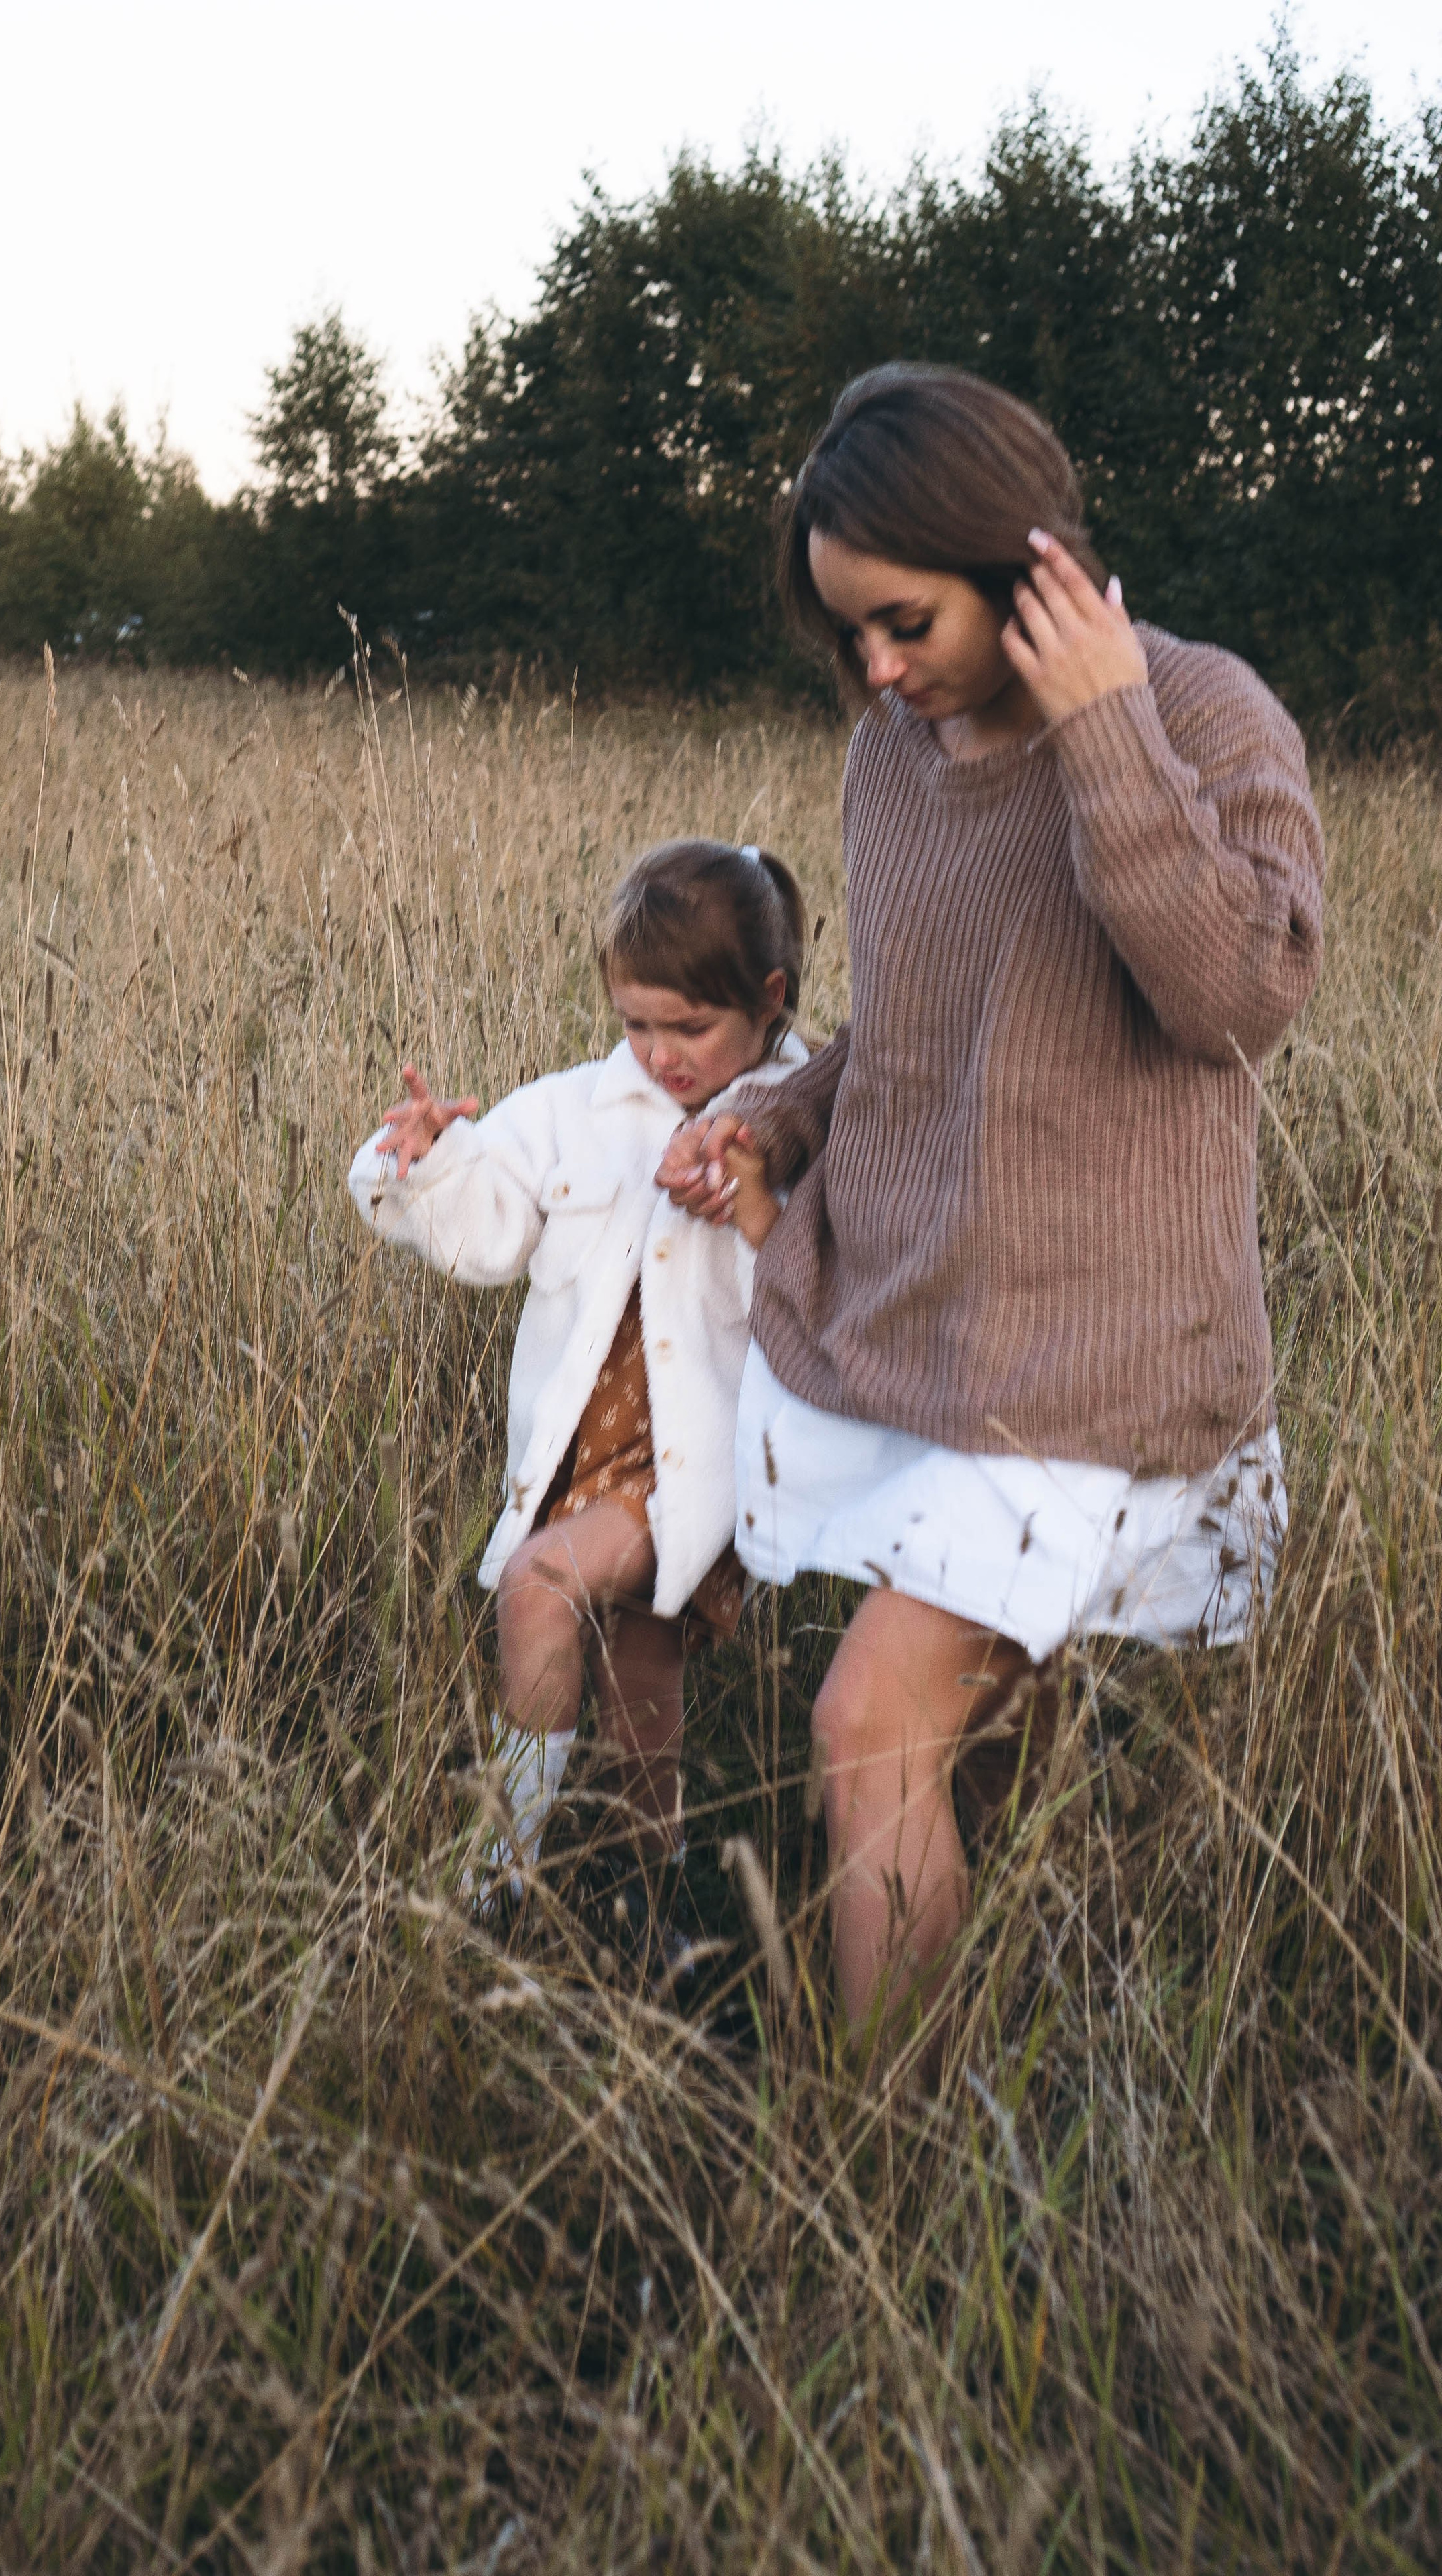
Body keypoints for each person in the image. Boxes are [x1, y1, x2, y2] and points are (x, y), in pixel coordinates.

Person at [659, 363, 1325, 2041]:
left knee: (865, 1719)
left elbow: (1233, 996)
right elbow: (915, 1029)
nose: (875, 673)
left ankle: (881, 2155)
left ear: (1023, 563)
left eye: (900, 623)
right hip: (926, 1313)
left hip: (1090, 1357)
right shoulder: (891, 759)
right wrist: (779, 1122)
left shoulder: (1206, 714)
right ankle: (981, 2058)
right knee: (970, 1733)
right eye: (844, 639)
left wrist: (1103, 728)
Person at [347, 838, 808, 1939]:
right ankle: (655, 1893)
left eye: (690, 1028)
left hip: (703, 1460)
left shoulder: (804, 1114)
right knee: (639, 1666)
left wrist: (757, 1204)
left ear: (771, 998)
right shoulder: (570, 1110)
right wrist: (426, 1163)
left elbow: (838, 1283)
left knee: (542, 1584)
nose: (659, 1055)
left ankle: (497, 1872)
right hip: (578, 1451)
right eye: (637, 1024)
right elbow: (486, 1237)